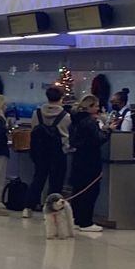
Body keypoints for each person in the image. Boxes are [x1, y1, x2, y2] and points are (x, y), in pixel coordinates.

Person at [24, 87, 72, 218]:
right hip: (58, 152)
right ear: (61, 97)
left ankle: (28, 207)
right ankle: (52, 210)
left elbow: (33, 130)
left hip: (40, 152)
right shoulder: (66, 116)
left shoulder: (37, 113)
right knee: (56, 182)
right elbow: (66, 136)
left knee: (38, 178)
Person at [69, 95, 109, 232]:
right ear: (90, 107)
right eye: (96, 106)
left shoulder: (75, 119)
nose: (98, 109)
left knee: (79, 189)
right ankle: (86, 222)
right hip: (90, 160)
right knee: (90, 191)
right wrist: (107, 131)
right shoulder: (89, 122)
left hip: (79, 158)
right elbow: (97, 140)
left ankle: (76, 218)